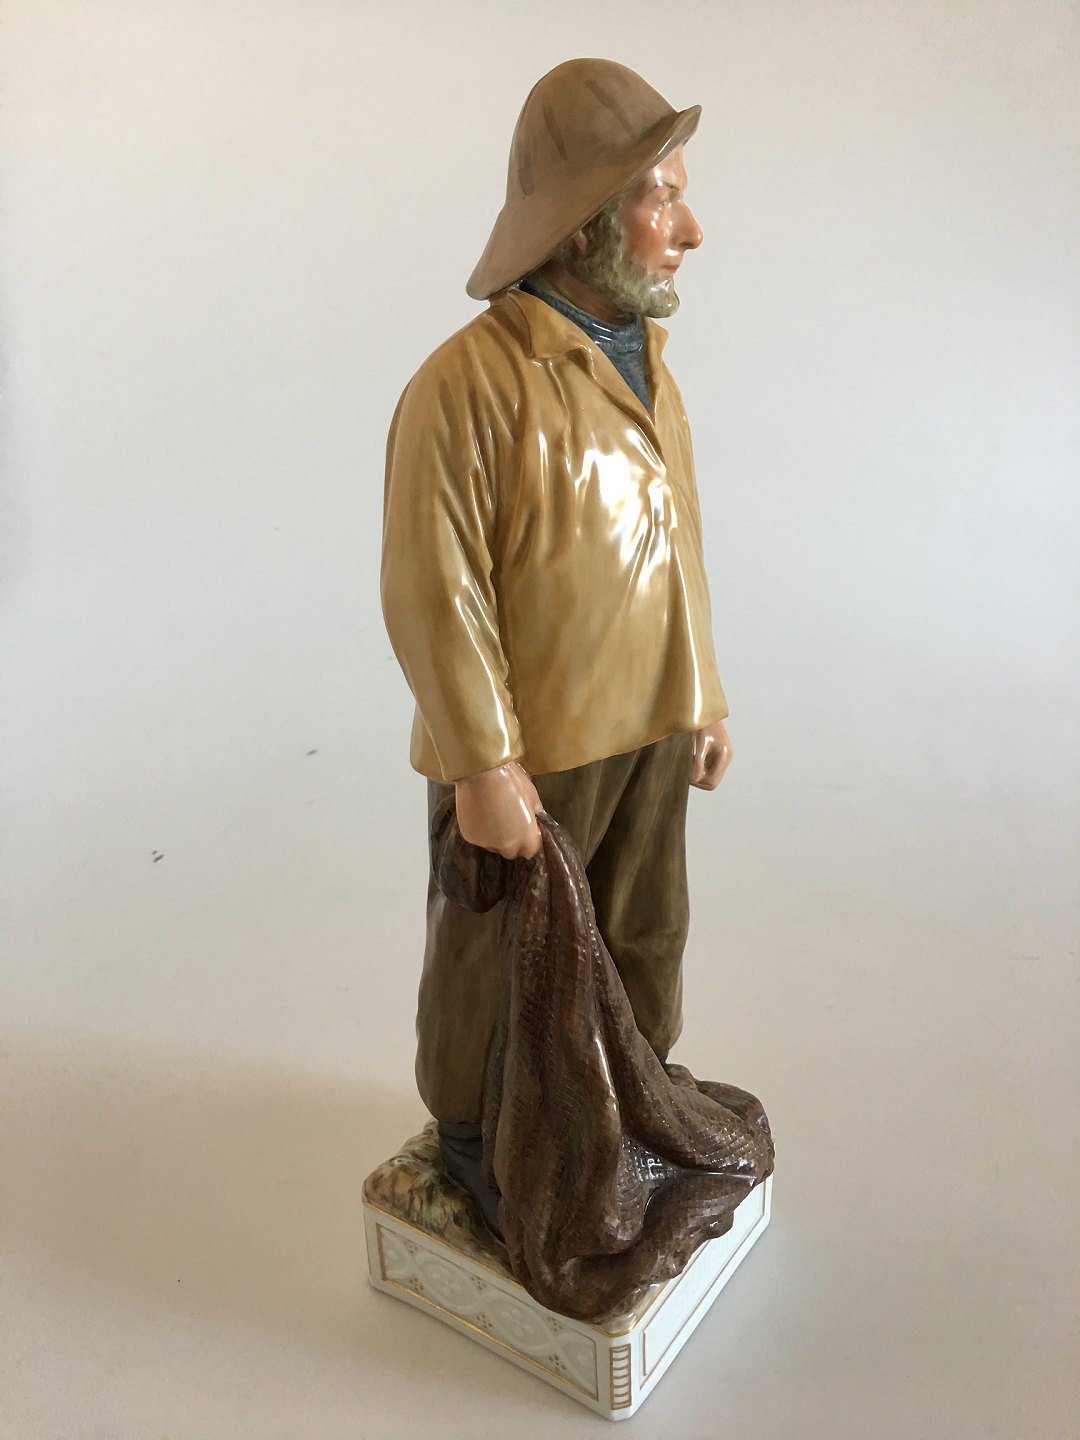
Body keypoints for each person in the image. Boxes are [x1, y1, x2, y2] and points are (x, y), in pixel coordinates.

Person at [381, 59, 733, 1223]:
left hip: (650, 721)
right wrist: (483, 764)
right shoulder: (468, 386)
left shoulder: (648, 370)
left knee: (642, 928)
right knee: (497, 952)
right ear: (587, 218)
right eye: (662, 199)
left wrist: (704, 695)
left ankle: (629, 1099)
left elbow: (678, 546)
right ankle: (476, 1134)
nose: (689, 230)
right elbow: (432, 588)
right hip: (534, 748)